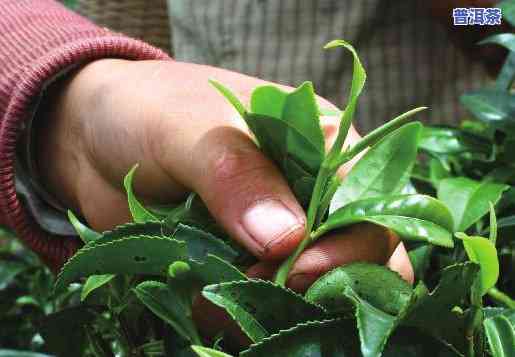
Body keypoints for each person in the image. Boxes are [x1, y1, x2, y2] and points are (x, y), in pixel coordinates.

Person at [0, 0, 506, 292]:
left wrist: (479, 11)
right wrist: (76, 100)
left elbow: (495, 18)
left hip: (410, 211)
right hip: (200, 184)